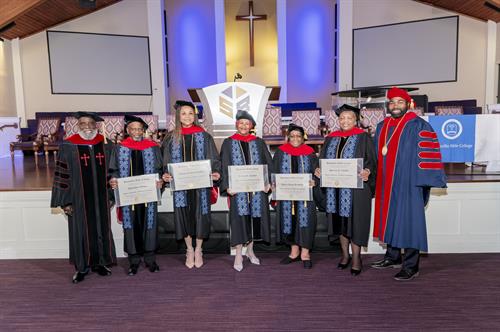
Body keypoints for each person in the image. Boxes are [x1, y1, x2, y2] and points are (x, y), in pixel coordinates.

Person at [370, 87, 447, 281]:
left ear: (408, 104)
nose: (395, 106)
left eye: (400, 102)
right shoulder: (382, 125)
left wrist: (422, 183)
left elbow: (428, 155)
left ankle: (411, 266)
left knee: (410, 222)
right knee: (390, 218)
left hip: (409, 183)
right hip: (387, 182)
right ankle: (392, 257)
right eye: (392, 102)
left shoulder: (419, 126)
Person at [51, 111, 116, 283]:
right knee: (80, 231)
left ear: (96, 125)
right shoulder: (68, 145)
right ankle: (82, 268)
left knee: (101, 229)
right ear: (77, 125)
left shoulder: (106, 144)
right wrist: (66, 201)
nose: (87, 127)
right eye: (83, 124)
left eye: (91, 124)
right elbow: (61, 174)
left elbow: (112, 171)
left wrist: (111, 195)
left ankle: (100, 263)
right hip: (78, 199)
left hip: (101, 198)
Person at [314, 104, 376, 276]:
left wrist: (368, 171)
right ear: (338, 120)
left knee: (354, 223)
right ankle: (344, 255)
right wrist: (319, 170)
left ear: (356, 120)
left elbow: (372, 160)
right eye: (342, 118)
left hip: (356, 190)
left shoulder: (364, 137)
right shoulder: (330, 138)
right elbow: (323, 161)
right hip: (335, 189)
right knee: (340, 223)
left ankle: (356, 258)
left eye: (349, 118)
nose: (345, 121)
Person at [161, 100, 221, 269]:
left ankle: (199, 250)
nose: (187, 116)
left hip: (201, 186)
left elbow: (214, 158)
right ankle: (189, 249)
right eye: (183, 113)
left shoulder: (204, 135)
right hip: (181, 186)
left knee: (201, 215)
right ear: (178, 116)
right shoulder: (171, 137)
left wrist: (216, 171)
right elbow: (165, 161)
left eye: (190, 113)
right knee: (183, 215)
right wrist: (165, 173)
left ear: (195, 116)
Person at [108, 115, 163, 276]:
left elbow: (159, 169)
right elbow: (113, 170)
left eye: (139, 129)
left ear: (143, 130)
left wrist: (160, 181)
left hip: (148, 195)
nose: (137, 132)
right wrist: (113, 180)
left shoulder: (152, 147)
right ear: (127, 130)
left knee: (149, 224)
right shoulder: (119, 148)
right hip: (128, 196)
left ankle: (150, 259)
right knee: (131, 225)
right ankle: (133, 261)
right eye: (133, 129)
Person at [220, 110, 273, 272]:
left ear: (251, 126)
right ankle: (238, 254)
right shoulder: (228, 142)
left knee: (254, 219)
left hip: (257, 190)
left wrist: (268, 183)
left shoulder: (258, 142)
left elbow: (268, 164)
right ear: (237, 125)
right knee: (239, 220)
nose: (244, 126)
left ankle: (250, 251)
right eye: (241, 123)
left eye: (247, 123)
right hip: (238, 191)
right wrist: (226, 186)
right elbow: (224, 165)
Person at [273, 123, 319, 269]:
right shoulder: (280, 152)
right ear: (288, 138)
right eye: (292, 136)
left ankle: (305, 254)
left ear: (303, 138)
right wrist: (274, 183)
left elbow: (318, 172)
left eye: (298, 136)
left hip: (305, 196)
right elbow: (273, 172)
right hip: (287, 196)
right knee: (290, 221)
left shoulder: (310, 152)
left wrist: (315, 181)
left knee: (306, 223)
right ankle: (294, 252)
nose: (295, 138)